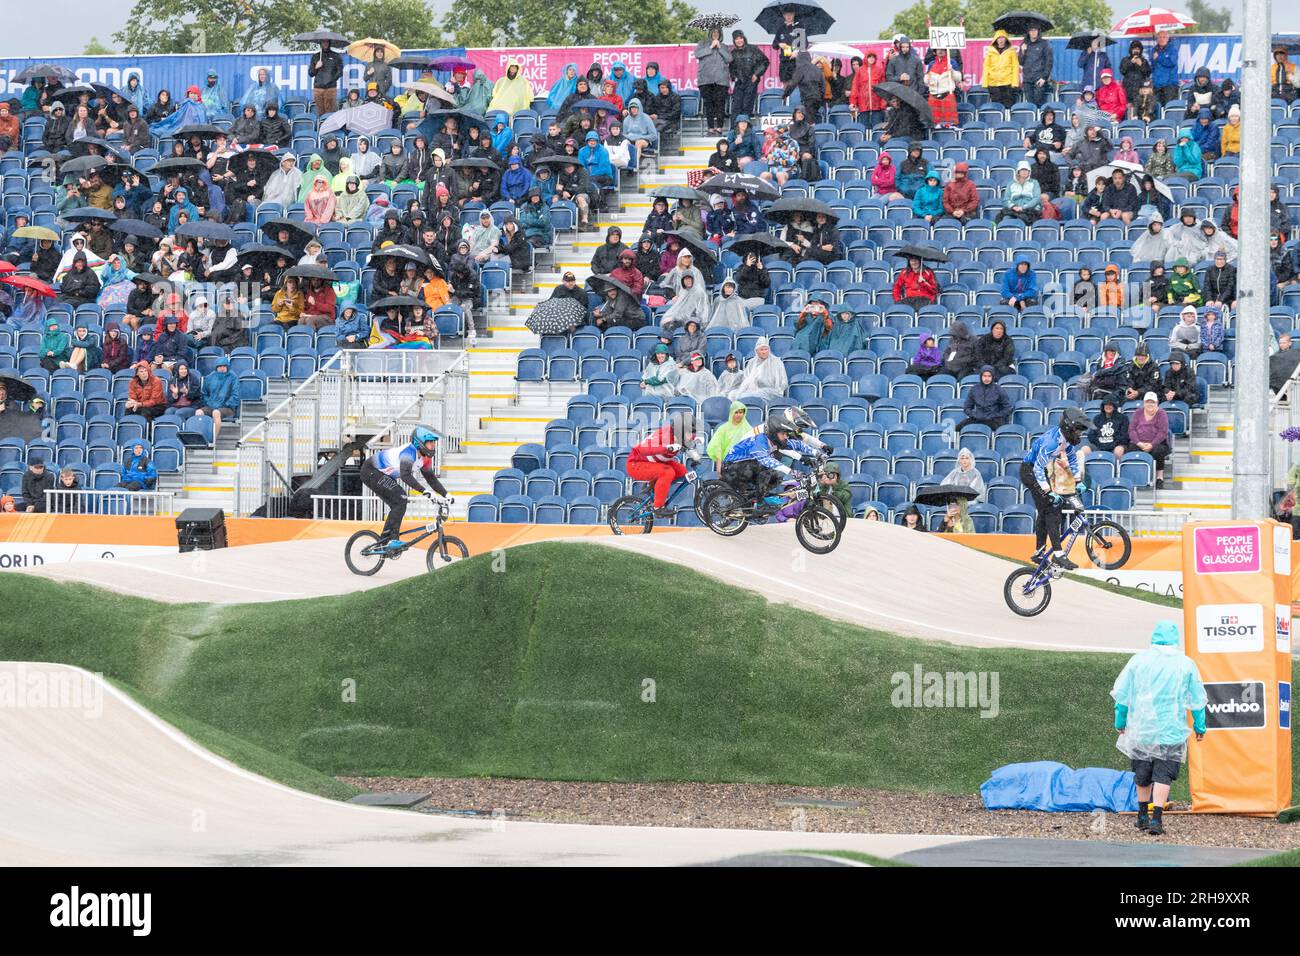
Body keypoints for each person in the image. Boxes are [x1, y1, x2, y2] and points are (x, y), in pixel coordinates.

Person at [1111, 620, 1207, 836]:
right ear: (1175, 639)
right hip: (1171, 730)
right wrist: (1200, 727)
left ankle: (1142, 816)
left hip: (1142, 729)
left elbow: (1123, 696)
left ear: (1154, 637)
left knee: (1142, 772)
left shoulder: (1138, 661)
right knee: (1163, 775)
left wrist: (1120, 722)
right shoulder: (1185, 664)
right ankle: (1157, 820)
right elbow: (1197, 699)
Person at [1020, 406, 1090, 568]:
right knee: (1052, 507)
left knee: (1045, 510)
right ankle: (1058, 554)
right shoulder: (1051, 443)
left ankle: (1039, 552)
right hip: (1030, 471)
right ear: (1068, 428)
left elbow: (1072, 460)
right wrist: (1048, 491)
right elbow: (1037, 468)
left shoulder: (1066, 441)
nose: (1079, 435)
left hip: (1039, 470)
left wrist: (1078, 481)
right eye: (1078, 431)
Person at [360, 425, 450, 548]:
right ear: (420, 443)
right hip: (371, 471)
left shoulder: (425, 459)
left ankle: (387, 539)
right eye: (430, 442)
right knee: (401, 498)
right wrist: (425, 492)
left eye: (433, 443)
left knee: (399, 504)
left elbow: (431, 479)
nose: (433, 445)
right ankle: (389, 539)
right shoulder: (408, 453)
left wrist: (446, 494)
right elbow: (405, 476)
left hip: (383, 474)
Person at [722, 410, 822, 509]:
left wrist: (817, 453)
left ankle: (759, 496)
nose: (786, 437)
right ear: (774, 434)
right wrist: (791, 472)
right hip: (731, 467)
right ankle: (760, 501)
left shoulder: (775, 440)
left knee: (775, 477)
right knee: (767, 469)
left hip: (746, 466)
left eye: (786, 434)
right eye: (783, 434)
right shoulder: (760, 442)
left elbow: (798, 444)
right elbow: (767, 461)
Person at [625, 412, 700, 517]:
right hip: (636, 464)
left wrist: (696, 449)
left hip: (654, 462)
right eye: (689, 433)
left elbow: (690, 444)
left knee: (682, 470)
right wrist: (666, 447)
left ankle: (654, 486)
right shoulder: (663, 435)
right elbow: (643, 449)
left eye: (692, 433)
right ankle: (658, 507)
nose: (691, 436)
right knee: (667, 472)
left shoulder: (681, 436)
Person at [194, 355, 240, 444]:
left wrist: (225, 404)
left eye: (224, 366)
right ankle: (201, 438)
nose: (222, 368)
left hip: (227, 407)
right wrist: (209, 402)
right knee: (198, 412)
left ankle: (212, 440)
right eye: (220, 366)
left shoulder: (233, 378)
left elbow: (235, 395)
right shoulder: (210, 377)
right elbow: (204, 393)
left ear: (227, 367)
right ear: (216, 367)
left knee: (216, 413)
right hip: (211, 405)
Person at [1130, 392, 1172, 488]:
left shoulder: (1162, 413)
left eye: (1152, 402)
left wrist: (1151, 445)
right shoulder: (1138, 413)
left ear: (1156, 403)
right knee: (1131, 450)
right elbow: (1132, 430)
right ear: (1144, 403)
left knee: (1158, 451)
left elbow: (1163, 432)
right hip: (1139, 442)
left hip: (1157, 443)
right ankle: (1136, 477)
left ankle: (1159, 478)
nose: (1150, 404)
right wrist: (1139, 443)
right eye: (1148, 402)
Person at [957, 366, 1012, 432]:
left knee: (1000, 429)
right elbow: (967, 407)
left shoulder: (999, 390)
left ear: (993, 377)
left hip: (993, 420)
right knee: (959, 427)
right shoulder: (974, 389)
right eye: (984, 376)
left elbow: (1007, 408)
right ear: (981, 376)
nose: (987, 378)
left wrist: (995, 415)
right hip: (977, 418)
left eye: (989, 376)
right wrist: (975, 415)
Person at [982, 30, 1020, 109]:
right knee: (996, 106)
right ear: (996, 39)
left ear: (1006, 39)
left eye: (1003, 37)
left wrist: (1015, 82)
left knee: (1008, 106)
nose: (1001, 40)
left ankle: (1007, 121)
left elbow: (1015, 67)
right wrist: (985, 82)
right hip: (993, 84)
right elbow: (986, 67)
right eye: (999, 38)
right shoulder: (990, 51)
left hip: (1007, 83)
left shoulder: (1011, 51)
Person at [1089, 393, 1129, 461]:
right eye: (1106, 404)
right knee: (1084, 449)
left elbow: (1124, 436)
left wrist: (1111, 444)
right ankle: (1080, 471)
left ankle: (1117, 471)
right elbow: (1091, 435)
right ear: (1103, 406)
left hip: (1115, 445)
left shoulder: (1123, 418)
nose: (1108, 406)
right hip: (1099, 445)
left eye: (1110, 404)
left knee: (1118, 450)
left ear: (1114, 406)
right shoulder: (1097, 418)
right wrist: (1100, 443)